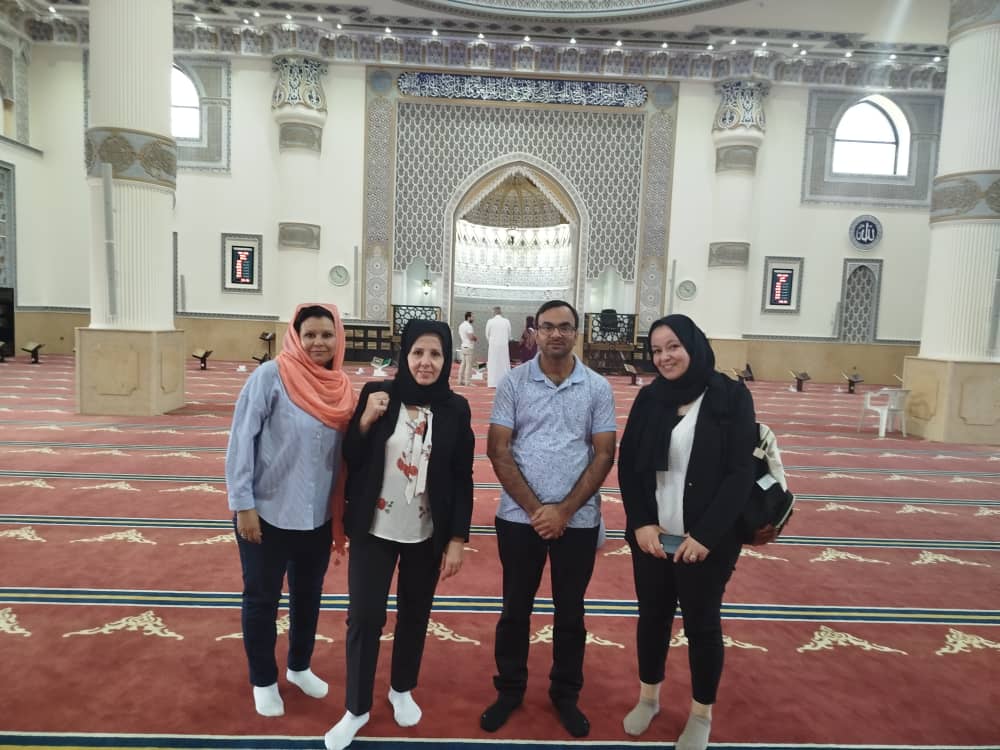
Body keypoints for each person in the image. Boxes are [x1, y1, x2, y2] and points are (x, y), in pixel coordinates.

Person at [325, 319, 475, 750]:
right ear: (404, 355)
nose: (426, 362)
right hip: (374, 528)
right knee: (365, 617)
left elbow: (461, 477)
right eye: (418, 353)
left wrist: (457, 539)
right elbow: (352, 456)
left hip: (426, 532)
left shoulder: (455, 408)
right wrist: (365, 421)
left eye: (436, 354)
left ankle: (401, 688)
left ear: (447, 359)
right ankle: (356, 707)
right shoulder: (378, 394)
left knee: (415, 613)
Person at [617, 314, 756, 750]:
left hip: (706, 542)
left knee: (702, 625)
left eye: (673, 346)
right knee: (653, 619)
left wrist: (707, 536)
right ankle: (649, 698)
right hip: (654, 539)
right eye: (657, 350)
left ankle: (700, 714)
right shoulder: (650, 399)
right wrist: (641, 523)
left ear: (693, 345)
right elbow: (629, 466)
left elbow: (740, 474)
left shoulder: (730, 397)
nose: (665, 357)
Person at [480, 299, 616, 739]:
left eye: (565, 326)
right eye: (548, 326)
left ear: (576, 332)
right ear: (535, 332)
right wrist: (538, 510)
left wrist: (564, 511)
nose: (556, 333)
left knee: (571, 613)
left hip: (578, 523)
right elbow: (498, 449)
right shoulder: (514, 383)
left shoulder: (597, 387)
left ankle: (565, 694)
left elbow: (604, 453)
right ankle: (510, 690)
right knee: (514, 609)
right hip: (519, 520)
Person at [225, 303, 357, 718]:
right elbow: (241, 440)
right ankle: (264, 680)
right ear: (296, 337)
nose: (318, 342)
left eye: (327, 334)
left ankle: (299, 666)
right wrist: (243, 505)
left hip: (318, 516)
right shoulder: (271, 376)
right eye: (310, 334)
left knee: (307, 596)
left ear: (338, 338)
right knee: (262, 598)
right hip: (267, 511)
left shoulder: (342, 387)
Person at [484, 305, 511, 387]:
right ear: (501, 312)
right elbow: (509, 335)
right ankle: (504, 382)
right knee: (504, 363)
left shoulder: (490, 321)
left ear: (494, 312)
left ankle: (492, 382)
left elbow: (487, 334)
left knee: (493, 364)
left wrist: (491, 342)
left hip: (493, 346)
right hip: (504, 346)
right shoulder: (506, 321)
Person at [457, 311, 478, 386]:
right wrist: (475, 338)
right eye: (472, 317)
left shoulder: (461, 325)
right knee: (468, 365)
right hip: (469, 347)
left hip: (463, 346)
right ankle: (467, 382)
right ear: (468, 317)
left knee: (463, 364)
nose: (473, 318)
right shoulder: (469, 326)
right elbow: (471, 337)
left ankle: (460, 380)